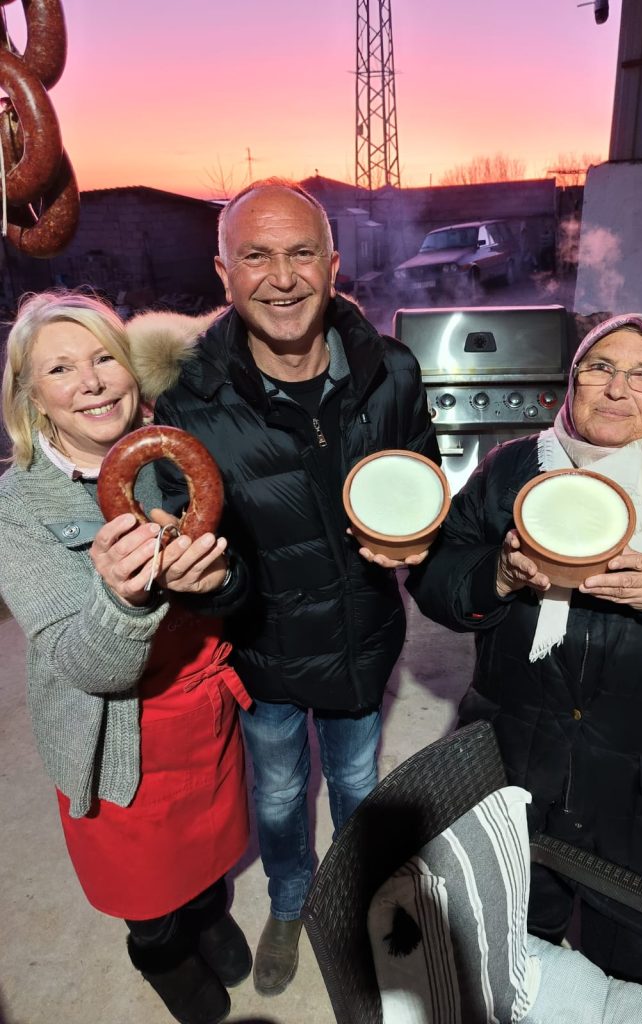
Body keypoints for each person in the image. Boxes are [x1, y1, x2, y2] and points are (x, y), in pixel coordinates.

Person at [407, 312, 642, 988]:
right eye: (598, 367)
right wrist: (496, 575)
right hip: (516, 766)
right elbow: (434, 577)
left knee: (623, 970)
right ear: (571, 382)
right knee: (509, 944)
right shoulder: (515, 467)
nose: (616, 387)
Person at [147, 178, 441, 996]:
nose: (283, 277)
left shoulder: (393, 370)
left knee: (354, 781)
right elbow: (184, 524)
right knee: (278, 787)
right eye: (257, 255)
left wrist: (417, 530)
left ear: (333, 263)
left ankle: (360, 900)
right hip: (262, 642)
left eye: (301, 252)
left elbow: (417, 469)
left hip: (361, 634)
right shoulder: (187, 398)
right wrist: (208, 579)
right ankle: (289, 897)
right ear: (224, 273)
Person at [0, 291, 254, 1024]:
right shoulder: (17, 509)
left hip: (201, 711)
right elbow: (88, 667)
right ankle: (162, 952)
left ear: (133, 369)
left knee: (210, 851)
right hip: (110, 735)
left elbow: (243, 581)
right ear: (32, 396)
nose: (92, 380)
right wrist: (118, 597)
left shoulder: (177, 455)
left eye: (105, 356)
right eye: (61, 368)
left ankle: (207, 912)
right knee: (145, 891)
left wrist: (223, 579)